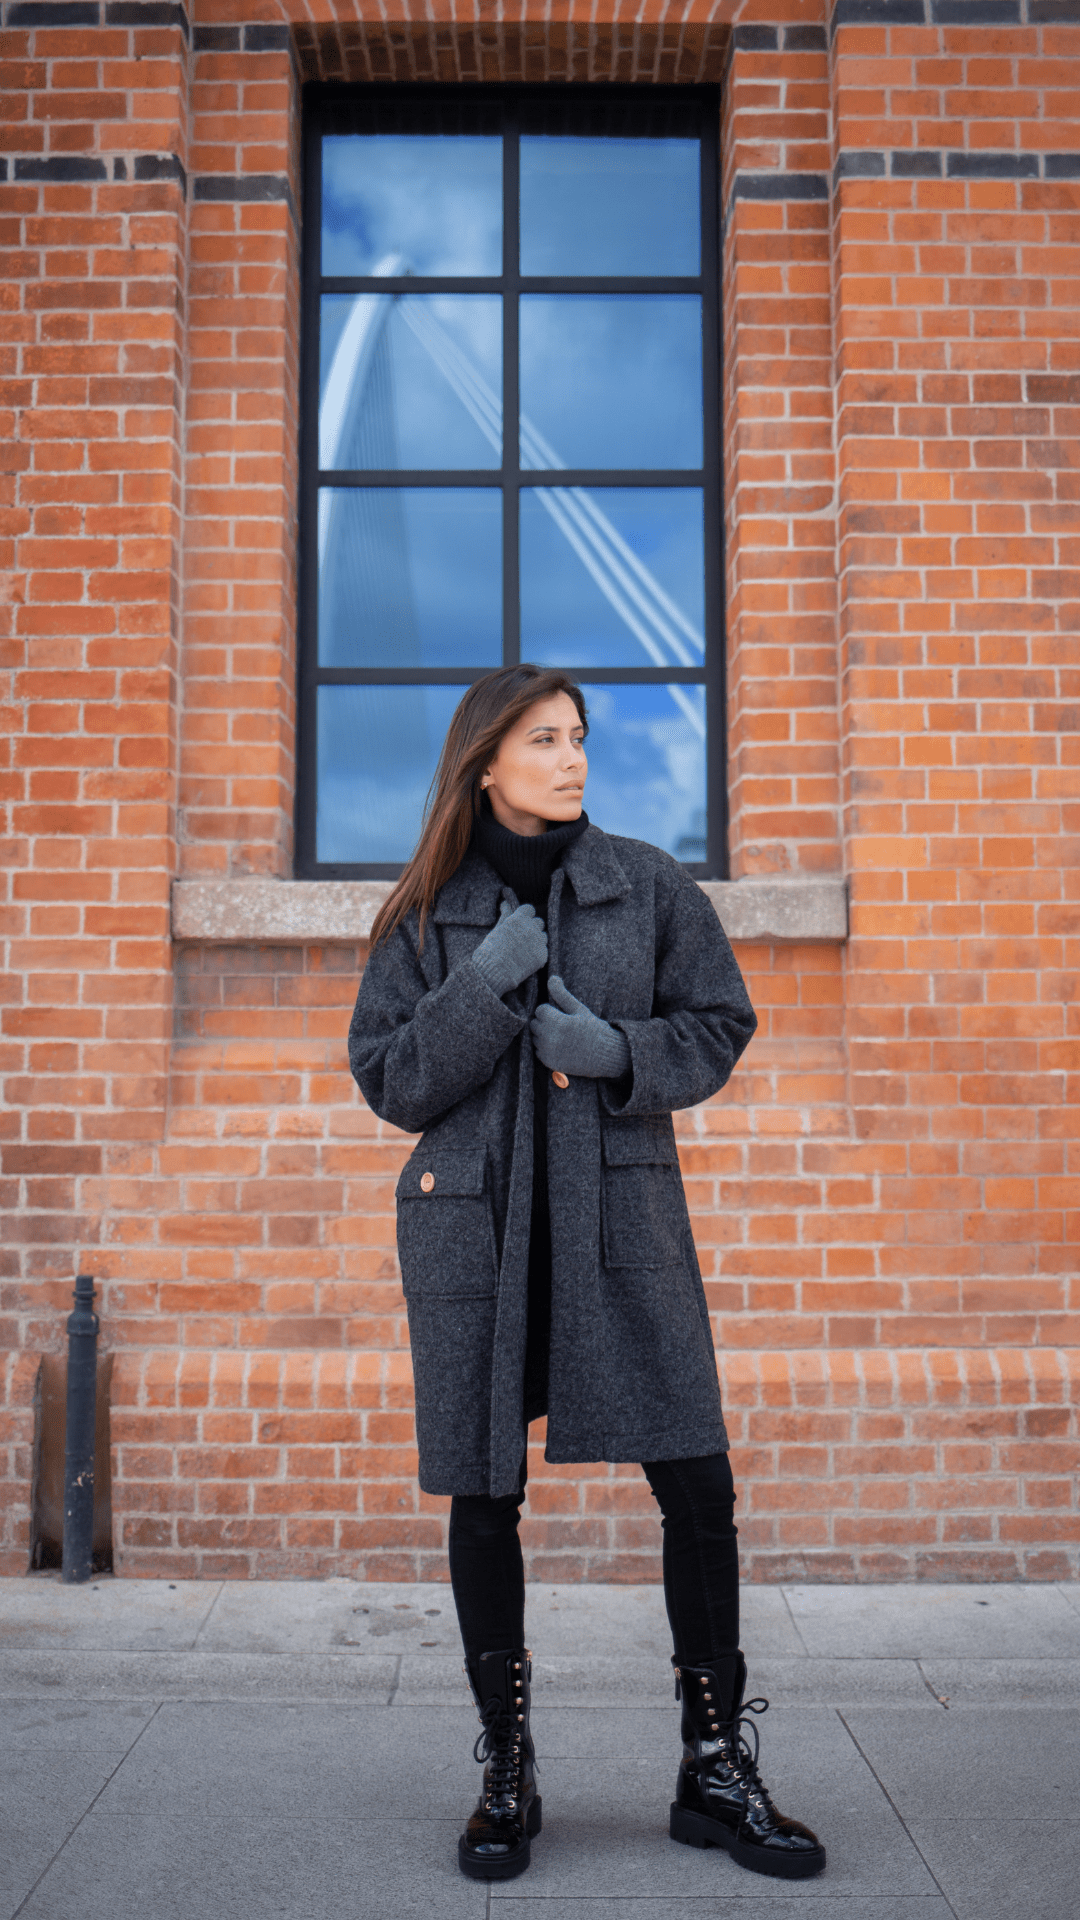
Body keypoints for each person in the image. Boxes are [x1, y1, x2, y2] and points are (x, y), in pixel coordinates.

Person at [348, 665, 826, 1884]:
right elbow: (391, 1082)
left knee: (700, 1482)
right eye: (544, 739)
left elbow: (722, 1022)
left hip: (621, 1224)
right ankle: (507, 1768)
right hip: (479, 1234)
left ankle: (715, 1764)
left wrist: (617, 1050)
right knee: (483, 1493)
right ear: (485, 762)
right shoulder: (422, 913)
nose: (572, 758)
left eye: (579, 738)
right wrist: (485, 982)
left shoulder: (647, 885)